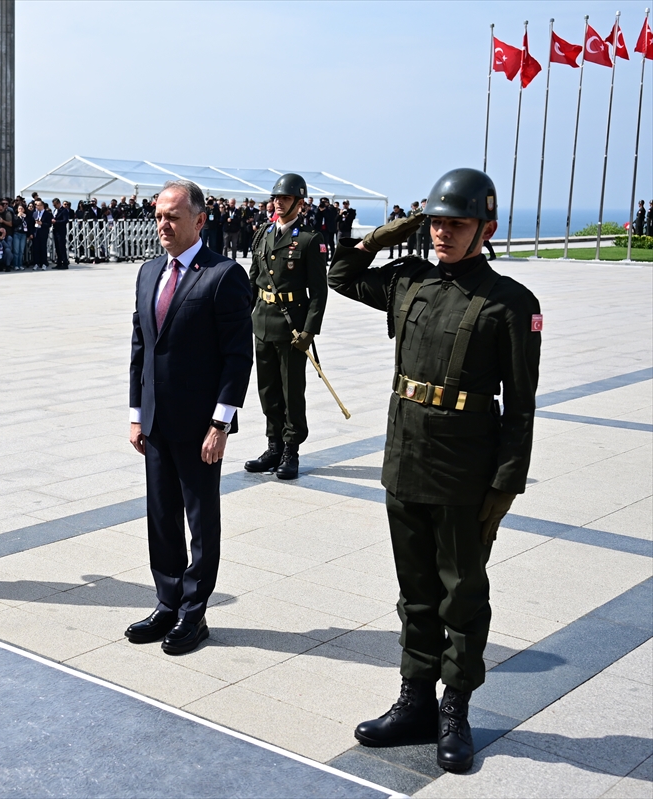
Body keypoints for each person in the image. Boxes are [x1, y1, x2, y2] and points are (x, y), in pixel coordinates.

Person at [328, 168, 540, 774]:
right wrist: (387, 232)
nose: (444, 233)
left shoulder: (511, 304)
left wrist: (504, 483)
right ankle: (414, 701)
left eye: (458, 223)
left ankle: (455, 710)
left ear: (486, 229)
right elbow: (341, 275)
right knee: (415, 592)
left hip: (463, 472)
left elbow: (520, 406)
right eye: (438, 222)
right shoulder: (409, 281)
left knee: (462, 596)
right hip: (406, 460)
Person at [127, 179, 254, 655]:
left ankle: (194, 612)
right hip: (157, 423)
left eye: (173, 216)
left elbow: (238, 356)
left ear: (199, 220)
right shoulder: (147, 273)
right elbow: (140, 348)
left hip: (201, 426)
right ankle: (167, 602)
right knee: (161, 518)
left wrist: (220, 424)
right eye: (159, 215)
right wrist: (137, 415)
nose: (164, 223)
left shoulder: (222, 275)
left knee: (201, 522)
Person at [242, 174, 328, 481]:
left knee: (292, 391)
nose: (278, 202)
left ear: (299, 203)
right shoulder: (263, 234)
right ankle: (273, 446)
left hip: (292, 327)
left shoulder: (309, 240)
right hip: (262, 322)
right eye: (276, 198)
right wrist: (243, 316)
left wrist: (309, 331)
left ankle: (291, 449)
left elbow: (319, 291)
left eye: (286, 199)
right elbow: (253, 280)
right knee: (267, 389)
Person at [30, 199, 52, 270]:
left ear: (42, 206)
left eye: (38, 205)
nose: (37, 206)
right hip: (36, 232)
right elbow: (31, 224)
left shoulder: (47, 214)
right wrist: (31, 233)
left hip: (43, 233)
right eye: (36, 205)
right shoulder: (34, 213)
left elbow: (49, 224)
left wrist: (42, 223)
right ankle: (36, 263)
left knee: (43, 248)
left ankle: (44, 263)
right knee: (36, 248)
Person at [52, 198, 71, 269]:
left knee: (61, 247)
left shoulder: (64, 210)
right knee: (57, 247)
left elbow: (65, 220)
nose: (54, 206)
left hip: (61, 231)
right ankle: (59, 262)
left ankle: (65, 263)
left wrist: (56, 222)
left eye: (55, 205)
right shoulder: (55, 210)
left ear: (58, 203)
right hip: (55, 230)